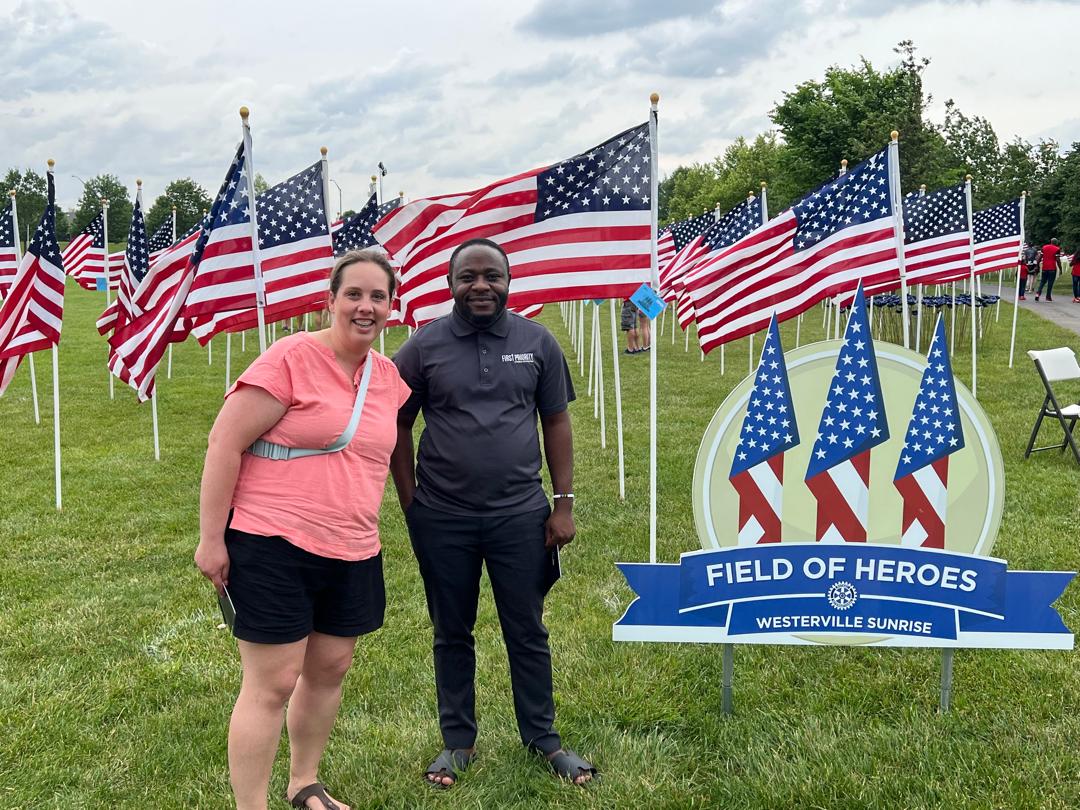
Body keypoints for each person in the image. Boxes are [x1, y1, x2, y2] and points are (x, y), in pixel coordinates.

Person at [195, 249, 412, 810]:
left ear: (392, 306)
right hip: (272, 543)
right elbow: (225, 443)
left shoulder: (388, 378)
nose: (366, 307)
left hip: (354, 546)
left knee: (330, 670)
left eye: (378, 297)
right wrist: (211, 539)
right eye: (354, 295)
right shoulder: (289, 356)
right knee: (272, 684)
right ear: (331, 300)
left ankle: (304, 783)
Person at [390, 238, 597, 788]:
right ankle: (457, 741)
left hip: (520, 516)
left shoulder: (537, 342)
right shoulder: (422, 347)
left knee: (526, 630)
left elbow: (555, 422)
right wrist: (411, 503)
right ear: (450, 283)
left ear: (509, 281)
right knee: (450, 631)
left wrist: (564, 503)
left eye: (492, 276)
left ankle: (543, 739)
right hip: (443, 516)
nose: (480, 286)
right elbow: (396, 423)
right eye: (468, 277)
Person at [1035, 238, 1062, 302]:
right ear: (1056, 242)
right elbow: (1058, 260)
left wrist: (1037, 265)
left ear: (1051, 242)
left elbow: (1040, 257)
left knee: (1042, 282)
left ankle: (1038, 294)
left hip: (1044, 267)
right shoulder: (1057, 249)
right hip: (1052, 268)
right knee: (1050, 283)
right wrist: (1060, 269)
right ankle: (1048, 297)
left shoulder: (1044, 247)